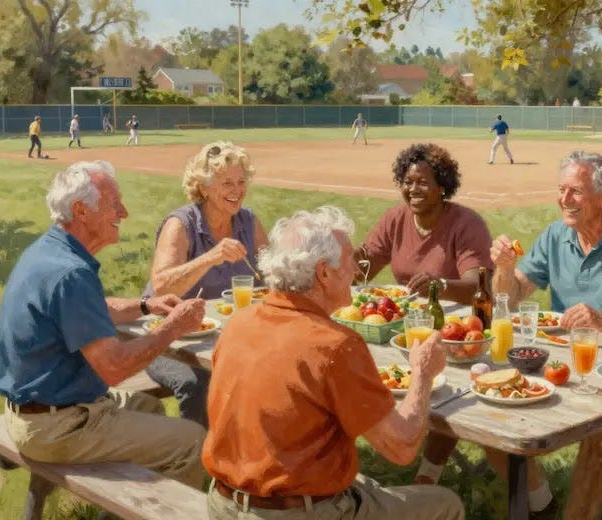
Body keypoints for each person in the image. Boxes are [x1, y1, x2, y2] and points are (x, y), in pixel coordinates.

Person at [202, 205, 464, 520]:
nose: (356, 271)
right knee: (446, 504)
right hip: (298, 513)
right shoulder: (335, 346)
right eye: (351, 260)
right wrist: (422, 373)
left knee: (364, 483)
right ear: (324, 273)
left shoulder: (238, 323)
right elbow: (403, 447)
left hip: (223, 504)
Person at [0, 160, 208, 492]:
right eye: (114, 204)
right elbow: (113, 368)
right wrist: (172, 328)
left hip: (38, 412)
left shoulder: (51, 252)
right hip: (59, 427)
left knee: (150, 406)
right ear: (80, 210)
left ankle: (137, 506)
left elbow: (89, 308)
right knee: (194, 441)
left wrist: (144, 305)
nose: (124, 213)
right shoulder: (70, 273)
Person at [489, 150, 602, 519]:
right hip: (564, 366)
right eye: (561, 190)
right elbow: (509, 298)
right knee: (492, 404)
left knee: (601, 436)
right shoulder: (556, 235)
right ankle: (540, 501)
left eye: (574, 191)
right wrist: (504, 269)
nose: (563, 199)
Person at [143, 141, 269, 428]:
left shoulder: (248, 222)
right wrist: (210, 258)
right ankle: (194, 461)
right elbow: (162, 286)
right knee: (196, 384)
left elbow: (272, 275)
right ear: (204, 187)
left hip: (224, 338)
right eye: (227, 183)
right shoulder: (182, 224)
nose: (237, 190)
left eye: (241, 181)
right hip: (167, 339)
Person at [356, 143, 493, 304]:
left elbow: (478, 288)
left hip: (457, 321)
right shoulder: (393, 220)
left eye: (422, 183)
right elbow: (362, 273)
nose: (413, 189)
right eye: (408, 182)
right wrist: (349, 262)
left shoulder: (468, 224)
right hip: (406, 316)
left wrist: (440, 286)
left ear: (442, 187)